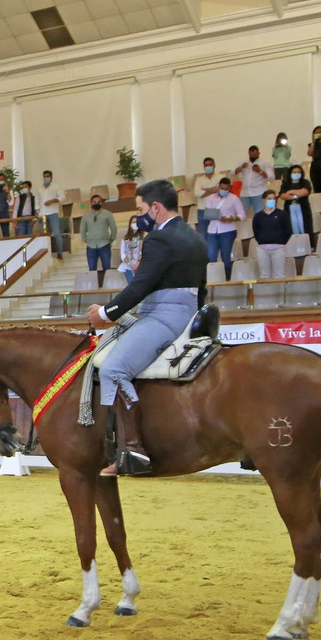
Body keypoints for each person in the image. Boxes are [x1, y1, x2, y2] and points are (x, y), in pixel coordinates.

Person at [86, 179, 207, 476]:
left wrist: (104, 312)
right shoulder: (194, 236)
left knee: (113, 369)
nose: (140, 215)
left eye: (141, 209)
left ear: (155, 207)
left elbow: (140, 287)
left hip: (163, 316)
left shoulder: (158, 239)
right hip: (190, 312)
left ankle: (133, 451)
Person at [204, 177, 244, 280]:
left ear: (230, 188)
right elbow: (207, 213)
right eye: (222, 188)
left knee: (226, 256)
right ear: (219, 186)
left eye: (226, 189)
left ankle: (227, 278)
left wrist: (233, 218)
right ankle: (213, 278)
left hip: (228, 230)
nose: (224, 191)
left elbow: (242, 215)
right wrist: (219, 217)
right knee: (211, 255)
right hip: (212, 230)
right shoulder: (211, 198)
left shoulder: (234, 198)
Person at [251, 190, 292, 279]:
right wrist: (263, 241)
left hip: (279, 248)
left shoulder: (282, 214)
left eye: (273, 198)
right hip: (262, 249)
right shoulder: (258, 216)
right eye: (269, 198)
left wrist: (281, 242)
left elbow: (288, 231)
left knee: (279, 275)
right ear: (263, 200)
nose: (272, 200)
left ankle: (280, 292)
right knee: (264, 275)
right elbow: (256, 232)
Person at [80, 194, 117, 272]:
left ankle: (107, 283)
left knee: (107, 269)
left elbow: (113, 228)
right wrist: (86, 240)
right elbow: (82, 230)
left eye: (99, 201)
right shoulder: (86, 216)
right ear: (91, 203)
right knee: (92, 270)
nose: (96, 203)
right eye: (94, 202)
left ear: (102, 203)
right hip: (91, 246)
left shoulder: (108, 214)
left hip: (105, 245)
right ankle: (94, 284)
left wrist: (111, 239)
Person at [233, 145, 273, 217]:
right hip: (245, 193)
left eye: (256, 155)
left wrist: (260, 171)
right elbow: (232, 172)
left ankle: (259, 228)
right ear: (249, 153)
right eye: (252, 155)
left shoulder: (264, 162)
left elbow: (271, 177)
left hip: (259, 192)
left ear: (259, 153)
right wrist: (241, 167)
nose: (254, 157)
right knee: (240, 214)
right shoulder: (243, 162)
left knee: (259, 215)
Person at [278, 163, 314, 239]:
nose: (296, 174)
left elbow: (305, 192)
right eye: (294, 172)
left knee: (305, 227)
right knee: (292, 228)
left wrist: (290, 192)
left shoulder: (305, 182)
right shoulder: (286, 183)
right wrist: (297, 195)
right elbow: (282, 195)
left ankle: (309, 246)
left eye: (298, 172)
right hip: (289, 209)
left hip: (303, 209)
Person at [38, 171, 64, 258]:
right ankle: (46, 254)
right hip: (42, 214)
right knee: (44, 235)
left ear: (51, 177)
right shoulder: (40, 189)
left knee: (57, 233)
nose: (46, 178)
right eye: (44, 177)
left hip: (53, 213)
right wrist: (37, 212)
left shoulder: (56, 186)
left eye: (48, 176)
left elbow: (63, 197)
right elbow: (37, 202)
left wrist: (52, 200)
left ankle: (59, 253)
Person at [192, 159, 220, 236]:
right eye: (206, 165)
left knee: (215, 234)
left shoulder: (221, 177)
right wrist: (213, 190)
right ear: (204, 167)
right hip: (202, 209)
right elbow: (197, 193)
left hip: (215, 208)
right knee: (203, 234)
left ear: (214, 165)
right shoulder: (199, 179)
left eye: (210, 164)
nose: (208, 166)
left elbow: (220, 190)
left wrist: (205, 190)